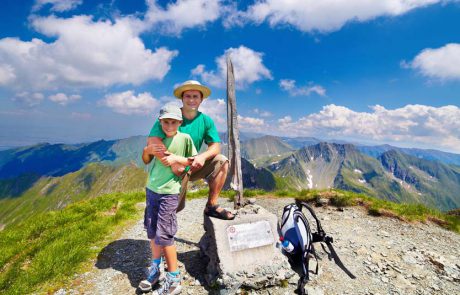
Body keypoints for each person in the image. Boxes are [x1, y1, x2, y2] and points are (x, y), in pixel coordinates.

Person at [147, 80, 235, 220]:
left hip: (191, 165)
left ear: (201, 99)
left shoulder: (206, 120)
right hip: (169, 167)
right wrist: (174, 163)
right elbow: (153, 141)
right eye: (188, 96)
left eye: (195, 96)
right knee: (169, 210)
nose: (192, 100)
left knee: (222, 161)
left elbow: (216, 146)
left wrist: (202, 157)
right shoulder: (171, 116)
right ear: (182, 98)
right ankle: (156, 217)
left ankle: (211, 206)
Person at [140, 104, 197, 294]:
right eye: (166, 121)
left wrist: (175, 159)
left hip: (170, 192)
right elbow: (146, 160)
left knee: (165, 234)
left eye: (174, 122)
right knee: (152, 230)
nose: (170, 125)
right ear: (160, 122)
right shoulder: (158, 140)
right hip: (152, 189)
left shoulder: (186, 139)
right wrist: (148, 150)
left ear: (180, 122)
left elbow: (193, 163)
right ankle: (156, 270)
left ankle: (173, 278)